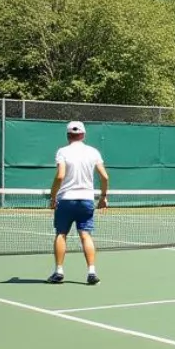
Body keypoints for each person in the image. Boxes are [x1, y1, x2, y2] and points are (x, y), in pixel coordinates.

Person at [48, 120, 109, 284]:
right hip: (87, 200)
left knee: (61, 234)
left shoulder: (62, 152)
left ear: (68, 135)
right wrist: (103, 196)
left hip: (66, 201)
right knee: (86, 235)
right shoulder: (93, 152)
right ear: (83, 135)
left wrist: (53, 197)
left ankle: (58, 272)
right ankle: (91, 272)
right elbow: (104, 177)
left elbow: (60, 176)